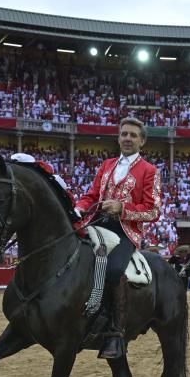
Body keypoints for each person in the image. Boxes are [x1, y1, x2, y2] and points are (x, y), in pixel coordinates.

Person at [75, 117, 162, 359]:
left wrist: (122, 208)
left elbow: (153, 210)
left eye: (133, 135)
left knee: (113, 270)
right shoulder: (107, 165)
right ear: (118, 137)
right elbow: (91, 195)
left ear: (142, 141)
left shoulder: (150, 171)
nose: (127, 138)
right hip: (97, 223)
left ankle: (115, 332)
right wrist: (79, 208)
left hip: (125, 232)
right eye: (124, 134)